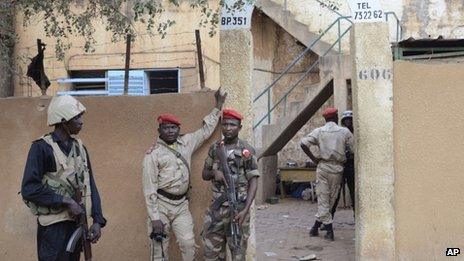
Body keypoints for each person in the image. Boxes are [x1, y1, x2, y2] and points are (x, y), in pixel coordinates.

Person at [142, 89, 227, 261]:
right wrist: (155, 218)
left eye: (173, 127)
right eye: (166, 128)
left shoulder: (187, 142)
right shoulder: (153, 154)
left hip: (181, 206)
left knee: (188, 245)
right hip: (161, 206)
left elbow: (205, 131)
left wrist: (218, 105)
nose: (170, 131)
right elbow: (149, 188)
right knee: (159, 249)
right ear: (159, 130)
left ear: (178, 128)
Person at [21, 95, 106, 261]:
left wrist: (97, 219)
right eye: (76, 117)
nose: (81, 121)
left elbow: (90, 185)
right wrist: (67, 201)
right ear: (63, 121)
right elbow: (29, 189)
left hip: (77, 224)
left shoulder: (80, 149)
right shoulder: (41, 148)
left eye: (81, 116)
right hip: (53, 228)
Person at [201, 109, 260, 261]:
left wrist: (246, 209)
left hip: (238, 211)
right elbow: (204, 174)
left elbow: (253, 180)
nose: (228, 128)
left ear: (239, 127)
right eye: (225, 124)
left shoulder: (247, 151)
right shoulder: (215, 148)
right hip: (216, 211)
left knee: (238, 252)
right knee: (211, 254)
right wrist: (215, 173)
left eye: (232, 125)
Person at [300, 107, 353, 241]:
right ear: (336, 118)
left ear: (325, 119)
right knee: (331, 199)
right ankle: (329, 230)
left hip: (323, 167)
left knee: (323, 198)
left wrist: (313, 158)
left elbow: (303, 144)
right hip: (337, 169)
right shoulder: (344, 132)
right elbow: (353, 149)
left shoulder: (319, 131)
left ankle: (316, 227)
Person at [329, 110, 355, 218]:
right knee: (335, 192)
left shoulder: (355, 133)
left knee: (354, 192)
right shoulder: (340, 133)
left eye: (350, 120)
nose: (348, 122)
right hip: (340, 165)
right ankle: (328, 218)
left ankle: (357, 217)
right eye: (346, 120)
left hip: (351, 165)